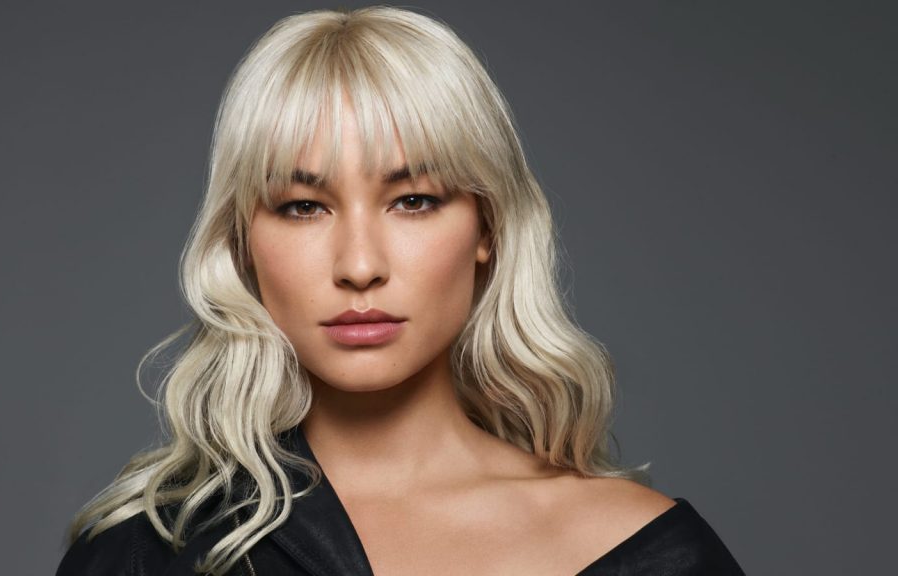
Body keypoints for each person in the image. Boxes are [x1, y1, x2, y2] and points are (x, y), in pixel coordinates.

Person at [56, 6, 744, 575]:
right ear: (243, 244)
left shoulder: (647, 554)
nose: (359, 264)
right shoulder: (143, 552)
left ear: (488, 228)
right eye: (303, 206)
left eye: (413, 200)